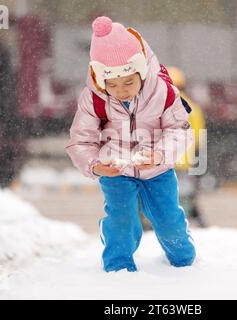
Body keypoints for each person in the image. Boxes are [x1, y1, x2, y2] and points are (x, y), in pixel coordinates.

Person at [66, 16, 196, 272]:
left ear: (141, 72)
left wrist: (159, 155)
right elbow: (81, 139)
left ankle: (184, 262)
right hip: (115, 170)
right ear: (100, 78)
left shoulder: (164, 92)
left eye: (128, 81)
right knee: (122, 221)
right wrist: (95, 165)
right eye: (111, 84)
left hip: (157, 170)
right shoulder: (94, 99)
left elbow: (181, 131)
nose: (121, 90)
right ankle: (118, 268)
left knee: (169, 220)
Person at [167, 66, 207, 228]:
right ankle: (187, 222)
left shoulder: (159, 106)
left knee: (164, 194)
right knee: (184, 195)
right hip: (184, 161)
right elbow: (198, 137)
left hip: (163, 161)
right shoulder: (192, 107)